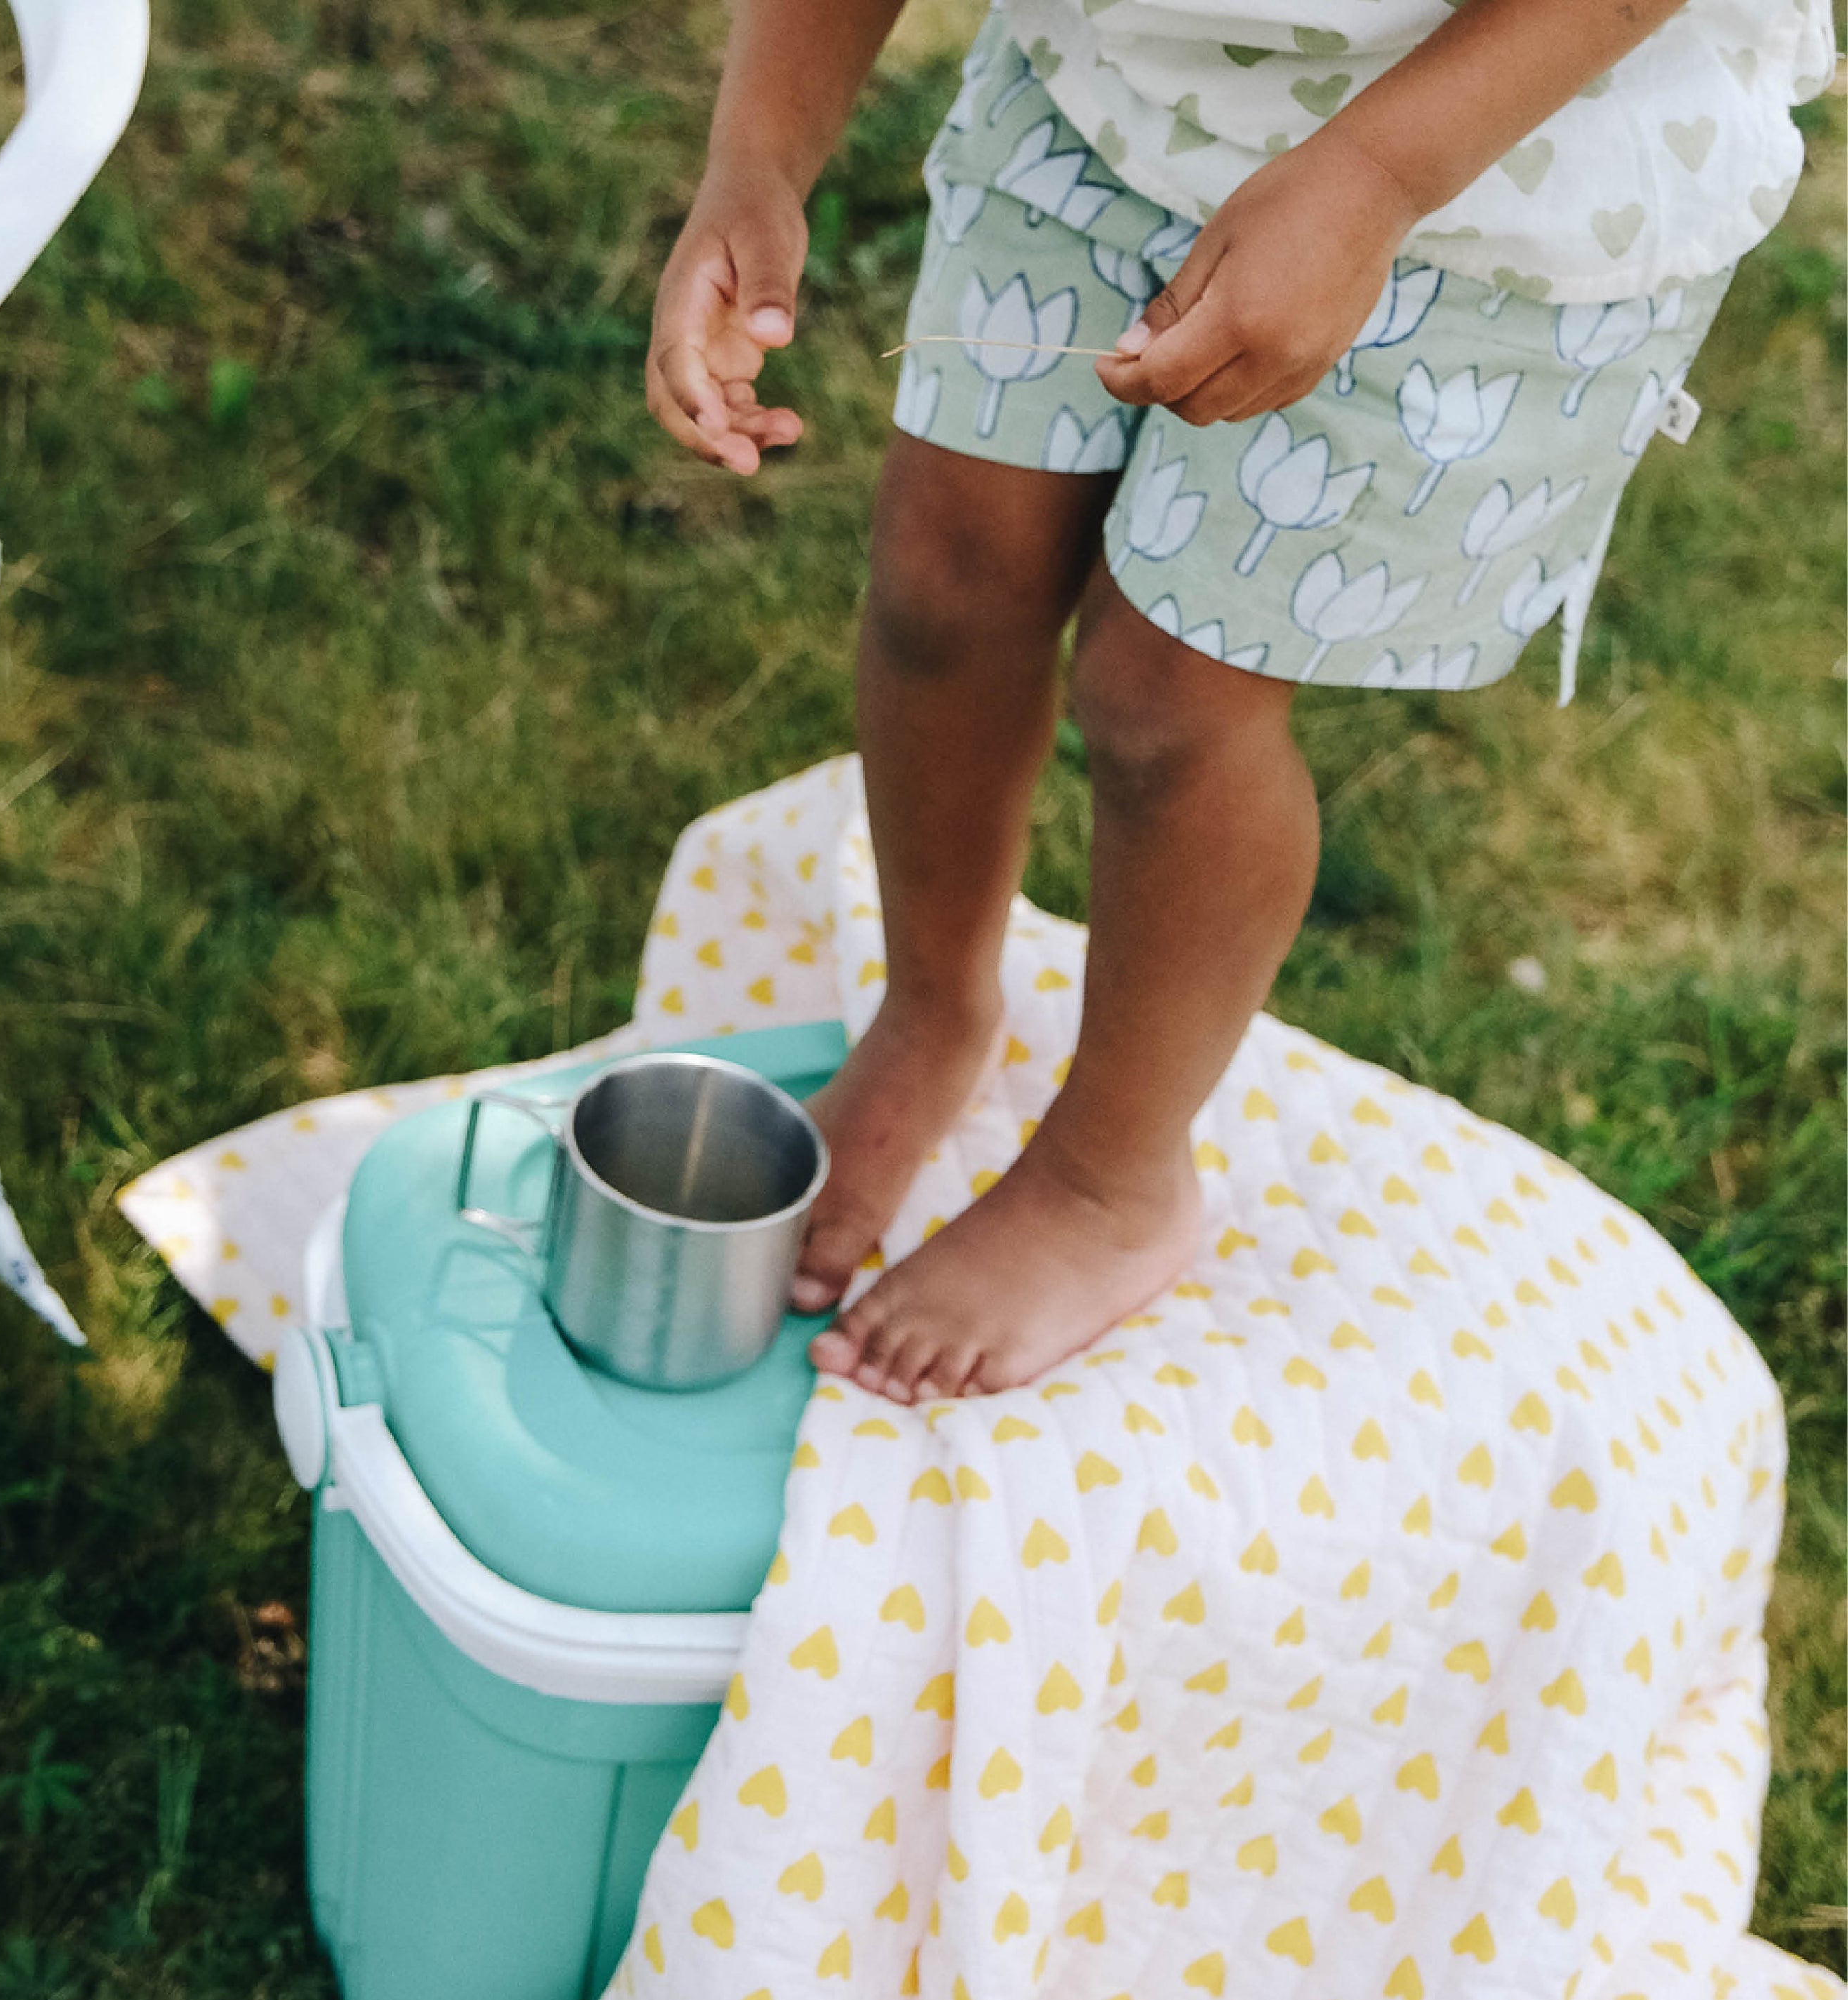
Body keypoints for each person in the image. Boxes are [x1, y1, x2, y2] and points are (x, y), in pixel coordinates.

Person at [646, 0, 1830, 1403]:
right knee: (946, 573)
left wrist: (1371, 181)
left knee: (1169, 692)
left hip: (1484, 172)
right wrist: (759, 161)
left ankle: (1110, 1183)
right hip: (1115, 90)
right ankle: (933, 1009)